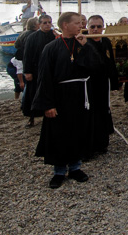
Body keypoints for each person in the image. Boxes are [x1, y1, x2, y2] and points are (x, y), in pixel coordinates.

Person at [33, 12, 101, 189]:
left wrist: (86, 46)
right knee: (59, 134)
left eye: (81, 23)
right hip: (60, 97)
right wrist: (48, 104)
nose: (81, 26)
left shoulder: (83, 43)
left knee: (79, 130)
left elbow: (95, 66)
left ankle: (76, 167)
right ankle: (59, 171)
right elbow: (45, 77)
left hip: (80, 95)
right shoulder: (51, 48)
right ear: (65, 25)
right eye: (77, 23)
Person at [86, 15, 120, 155]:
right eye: (92, 27)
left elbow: (110, 61)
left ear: (103, 27)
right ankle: (90, 146)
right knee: (90, 114)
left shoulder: (105, 41)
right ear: (87, 27)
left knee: (103, 111)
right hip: (89, 84)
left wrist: (115, 81)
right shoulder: (84, 43)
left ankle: (102, 143)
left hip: (103, 82)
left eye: (99, 26)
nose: (95, 29)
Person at [22, 14, 56, 126]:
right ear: (39, 24)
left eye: (49, 22)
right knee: (33, 94)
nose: (47, 25)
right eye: (44, 23)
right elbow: (27, 55)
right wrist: (27, 71)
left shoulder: (55, 35)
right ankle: (31, 118)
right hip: (36, 70)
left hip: (52, 70)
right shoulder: (32, 37)